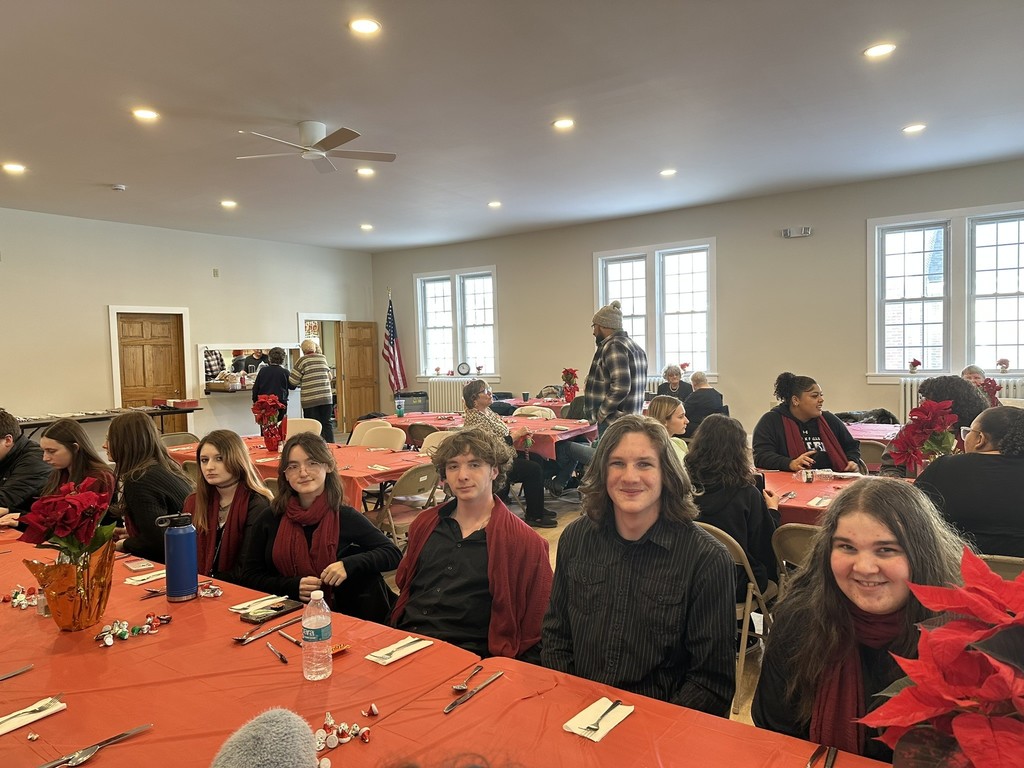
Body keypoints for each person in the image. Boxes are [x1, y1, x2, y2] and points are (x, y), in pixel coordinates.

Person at [752, 478, 965, 761]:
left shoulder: (962, 638)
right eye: (847, 547)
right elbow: (774, 730)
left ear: (922, 556)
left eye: (886, 549)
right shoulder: (800, 620)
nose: (864, 567)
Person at [542, 415, 736, 716]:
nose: (630, 477)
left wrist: (649, 729)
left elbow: (711, 684)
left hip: (660, 724)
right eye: (617, 464)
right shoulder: (575, 539)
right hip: (577, 711)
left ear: (667, 474)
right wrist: (571, 702)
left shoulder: (707, 560)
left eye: (644, 464)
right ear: (602, 472)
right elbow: (556, 635)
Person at [392, 429, 553, 660]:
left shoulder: (525, 542)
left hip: (468, 655)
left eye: (474, 465)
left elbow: (537, 622)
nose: (463, 476)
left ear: (494, 471)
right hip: (405, 641)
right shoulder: (424, 524)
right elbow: (406, 585)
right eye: (453, 466)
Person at [240, 432, 401, 620]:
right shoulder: (270, 518)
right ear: (285, 474)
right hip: (286, 616)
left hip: (346, 618)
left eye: (312, 463)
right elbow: (249, 576)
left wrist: (348, 564)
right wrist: (291, 586)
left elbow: (393, 553)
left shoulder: (345, 516)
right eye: (293, 466)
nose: (303, 473)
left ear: (328, 466)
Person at [686, 415, 779, 598]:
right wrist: (773, 512)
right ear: (739, 451)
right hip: (736, 583)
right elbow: (766, 545)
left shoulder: (683, 489)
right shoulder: (747, 494)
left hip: (689, 578)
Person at [914, 406, 1024, 557]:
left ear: (980, 439)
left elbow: (911, 519)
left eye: (968, 433)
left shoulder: (944, 468)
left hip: (952, 567)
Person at [462, 379, 557, 527]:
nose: (490, 393)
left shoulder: (487, 412)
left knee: (537, 459)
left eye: (489, 389)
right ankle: (534, 516)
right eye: (485, 391)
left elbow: (500, 432)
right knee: (533, 469)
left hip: (506, 454)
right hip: (494, 462)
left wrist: (516, 434)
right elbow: (492, 446)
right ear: (474, 398)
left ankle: (536, 506)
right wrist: (516, 435)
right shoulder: (475, 418)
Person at [184, 430, 274, 583]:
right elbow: (184, 555)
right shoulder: (194, 502)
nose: (209, 467)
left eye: (219, 459)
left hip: (242, 587)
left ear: (236, 459)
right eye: (204, 460)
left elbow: (246, 567)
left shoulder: (257, 504)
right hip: (199, 583)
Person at [106, 412, 194, 563]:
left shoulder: (139, 480)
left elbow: (156, 544)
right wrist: (133, 534)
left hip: (178, 561)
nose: (104, 445)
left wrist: (124, 544)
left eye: (109, 439)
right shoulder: (163, 468)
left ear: (126, 443)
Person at [879, 375, 990, 477]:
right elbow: (890, 466)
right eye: (922, 398)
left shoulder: (975, 432)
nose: (922, 403)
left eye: (928, 399)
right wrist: (898, 481)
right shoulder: (913, 428)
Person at [753, 372, 861, 472]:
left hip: (832, 481)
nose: (821, 400)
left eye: (821, 395)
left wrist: (852, 460)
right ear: (796, 400)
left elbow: (851, 446)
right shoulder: (772, 421)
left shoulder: (829, 420)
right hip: (790, 482)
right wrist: (790, 463)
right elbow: (761, 456)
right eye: (814, 396)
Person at [583, 300, 648, 433]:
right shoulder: (635, 347)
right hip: (631, 422)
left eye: (594, 326)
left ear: (602, 325)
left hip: (614, 423)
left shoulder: (613, 346)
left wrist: (601, 414)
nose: (593, 332)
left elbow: (621, 387)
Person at [0, 409, 51, 529]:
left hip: (31, 530)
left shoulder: (36, 460)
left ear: (8, 440)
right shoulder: (5, 455)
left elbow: (4, 501)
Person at [288, 339, 334, 443]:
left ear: (303, 349)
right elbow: (329, 377)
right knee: (327, 423)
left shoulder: (302, 360)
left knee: (312, 425)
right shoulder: (322, 358)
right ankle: (331, 446)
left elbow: (293, 381)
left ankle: (314, 447)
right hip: (326, 398)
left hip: (310, 399)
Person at [251, 346, 291, 424]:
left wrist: (255, 401)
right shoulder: (285, 372)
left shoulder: (263, 371)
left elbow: (255, 388)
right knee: (280, 426)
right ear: (283, 359)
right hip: (280, 404)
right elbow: (292, 386)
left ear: (269, 358)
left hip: (264, 404)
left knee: (265, 426)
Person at [682, 371, 725, 438]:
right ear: (706, 380)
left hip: (699, 429)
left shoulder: (695, 396)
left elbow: (684, 412)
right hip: (714, 429)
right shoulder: (718, 395)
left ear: (694, 384)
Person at [646, 395, 689, 461]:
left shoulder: (680, 443)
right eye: (681, 417)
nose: (687, 421)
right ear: (664, 420)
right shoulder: (653, 450)